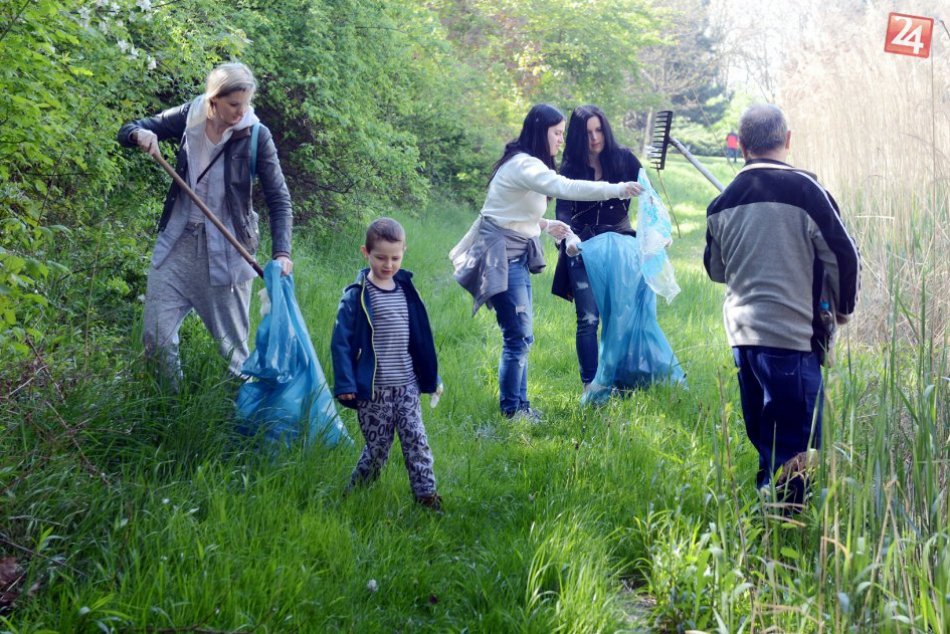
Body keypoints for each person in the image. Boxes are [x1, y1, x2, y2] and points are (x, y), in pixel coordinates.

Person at [704, 104, 860, 507]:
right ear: (787, 141)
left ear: (741, 148)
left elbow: (716, 270)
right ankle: (784, 531)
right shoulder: (808, 192)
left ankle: (764, 515)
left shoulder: (721, 204)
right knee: (802, 448)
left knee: (767, 438)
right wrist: (843, 308)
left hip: (743, 340)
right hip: (792, 337)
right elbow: (844, 255)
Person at [450, 103, 641, 420]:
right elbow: (565, 187)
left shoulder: (524, 164)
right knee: (518, 337)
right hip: (501, 257)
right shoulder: (524, 165)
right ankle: (513, 410)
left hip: (516, 253)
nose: (561, 140)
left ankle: (520, 406)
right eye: (556, 133)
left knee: (522, 335)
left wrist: (543, 225)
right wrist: (617, 188)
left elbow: (507, 213)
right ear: (542, 133)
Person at [117, 61, 293, 387]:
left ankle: (236, 428)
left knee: (234, 357)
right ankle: (168, 410)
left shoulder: (257, 136)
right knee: (156, 337)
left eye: (246, 103)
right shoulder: (191, 115)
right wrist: (139, 134)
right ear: (213, 100)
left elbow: (279, 199)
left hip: (228, 251)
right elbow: (130, 129)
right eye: (233, 104)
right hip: (177, 243)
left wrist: (282, 252)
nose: (242, 111)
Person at [331, 218, 443, 511]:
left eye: (395, 257)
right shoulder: (357, 296)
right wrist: (345, 384)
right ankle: (358, 490)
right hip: (374, 391)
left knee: (416, 440)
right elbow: (341, 343)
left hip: (406, 386)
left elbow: (421, 338)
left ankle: (426, 496)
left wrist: (431, 378)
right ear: (365, 252)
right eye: (380, 257)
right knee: (378, 448)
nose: (388, 264)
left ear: (404, 251)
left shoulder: (407, 291)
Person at [551, 105, 644, 391]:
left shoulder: (626, 159)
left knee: (621, 316)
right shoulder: (570, 168)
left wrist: (655, 234)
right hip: (582, 248)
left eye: (598, 130)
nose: (594, 138)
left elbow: (650, 197)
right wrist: (565, 238)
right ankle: (591, 386)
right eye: (588, 132)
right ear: (579, 136)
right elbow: (563, 210)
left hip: (620, 247)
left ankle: (621, 381)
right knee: (589, 318)